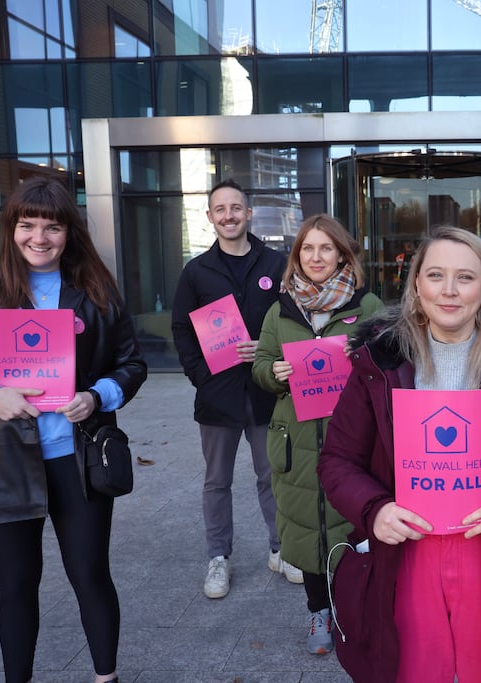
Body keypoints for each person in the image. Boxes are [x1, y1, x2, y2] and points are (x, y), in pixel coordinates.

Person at [317, 227, 481, 682]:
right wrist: (373, 509)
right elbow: (337, 460)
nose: (448, 290)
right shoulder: (376, 366)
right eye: (435, 275)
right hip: (406, 552)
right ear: (416, 285)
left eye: (464, 277)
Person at [0, 177, 147, 683]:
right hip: (1, 461)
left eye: (52, 227)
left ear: (67, 233)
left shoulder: (95, 292)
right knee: (15, 581)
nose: (39, 237)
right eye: (27, 224)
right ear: (11, 228)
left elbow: (131, 364)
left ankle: (106, 677)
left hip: (76, 460)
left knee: (90, 576)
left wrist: (97, 396)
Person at [251, 214, 383, 655]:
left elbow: (395, 359)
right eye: (308, 248)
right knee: (308, 528)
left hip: (353, 438)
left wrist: (363, 355)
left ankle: (354, 607)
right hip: (297, 440)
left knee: (352, 526)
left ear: (342, 253)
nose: (316, 257)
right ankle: (318, 611)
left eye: (326, 248)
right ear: (297, 256)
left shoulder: (366, 307)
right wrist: (274, 371)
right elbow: (260, 364)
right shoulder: (280, 309)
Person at [171, 178, 301, 599]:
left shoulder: (276, 264)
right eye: (219, 209)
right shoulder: (196, 272)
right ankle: (218, 558)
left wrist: (270, 352)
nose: (228, 215)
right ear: (210, 218)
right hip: (218, 394)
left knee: (272, 475)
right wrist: (200, 374)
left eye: (235, 208)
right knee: (216, 480)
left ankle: (281, 548)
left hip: (268, 391)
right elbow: (182, 330)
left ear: (248, 214)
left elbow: (294, 319)